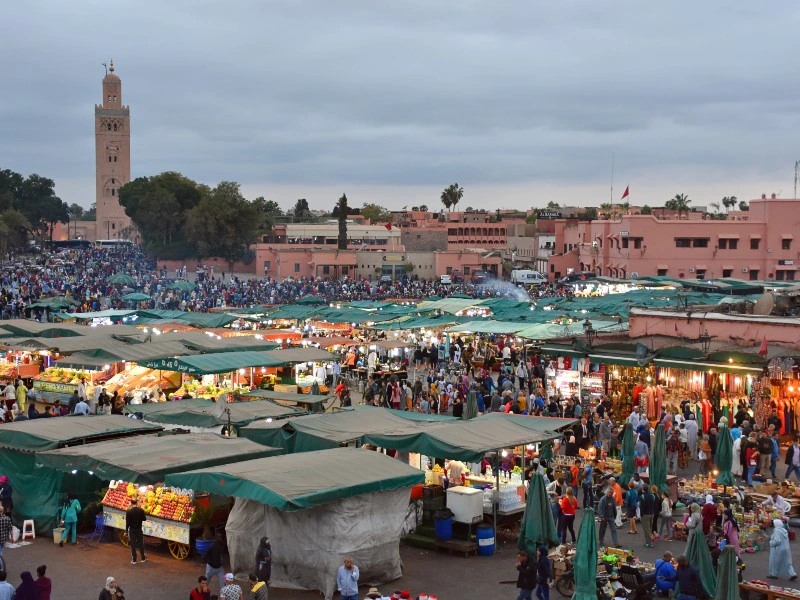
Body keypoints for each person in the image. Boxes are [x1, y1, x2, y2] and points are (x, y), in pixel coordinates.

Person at [125, 496, 147, 564]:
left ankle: (134, 560)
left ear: (131, 503)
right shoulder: (141, 510)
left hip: (132, 530)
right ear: (137, 503)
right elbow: (144, 519)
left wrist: (126, 531)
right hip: (139, 529)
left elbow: (127, 522)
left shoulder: (128, 512)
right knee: (141, 543)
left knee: (133, 544)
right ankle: (143, 558)